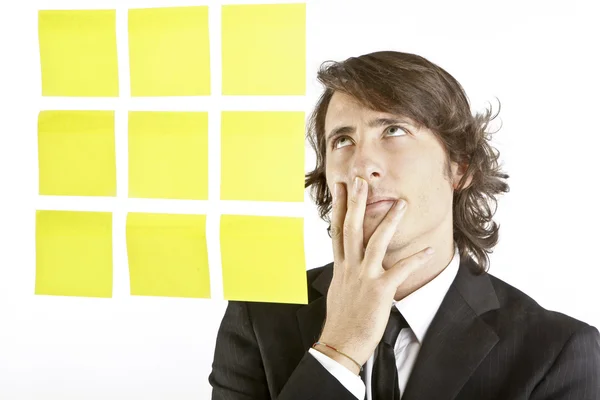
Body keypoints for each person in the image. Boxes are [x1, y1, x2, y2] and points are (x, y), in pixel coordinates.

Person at [208, 51, 600, 399]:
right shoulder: (258, 317)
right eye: (342, 140)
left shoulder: (556, 351)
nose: (362, 165)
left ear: (459, 165)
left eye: (393, 130)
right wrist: (338, 351)